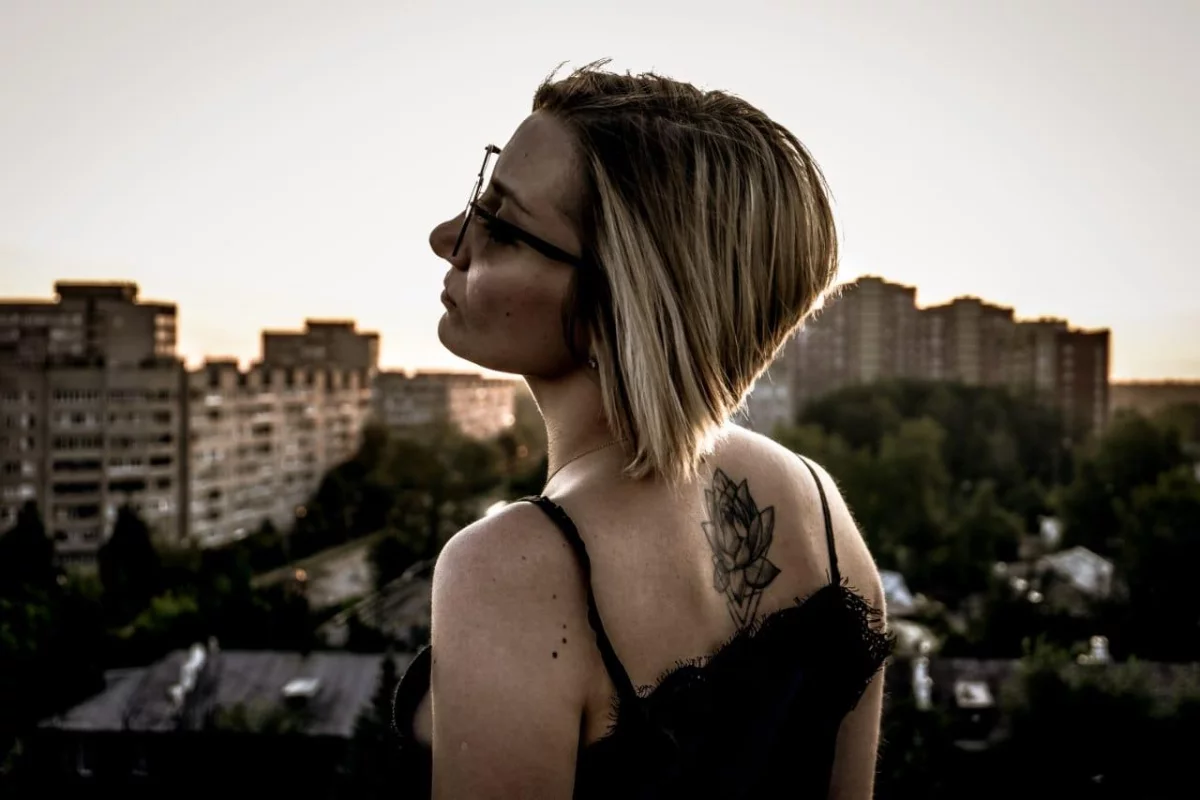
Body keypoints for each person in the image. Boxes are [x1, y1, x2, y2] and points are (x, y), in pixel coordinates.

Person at [392, 61, 892, 799]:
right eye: (478, 199)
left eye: (501, 225)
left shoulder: (513, 571)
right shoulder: (818, 507)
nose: (448, 239)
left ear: (618, 303)